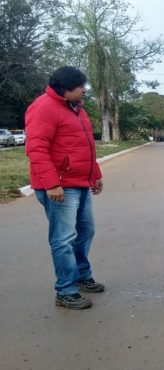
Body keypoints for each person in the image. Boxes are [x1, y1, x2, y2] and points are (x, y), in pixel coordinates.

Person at [25, 66, 104, 310]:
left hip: (80, 182)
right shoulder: (43, 107)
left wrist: (96, 174)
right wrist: (51, 183)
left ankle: (81, 275)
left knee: (85, 231)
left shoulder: (76, 109)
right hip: (60, 186)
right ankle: (66, 290)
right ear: (64, 88)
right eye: (79, 86)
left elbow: (86, 145)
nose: (83, 89)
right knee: (63, 238)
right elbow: (36, 148)